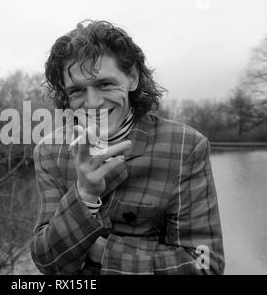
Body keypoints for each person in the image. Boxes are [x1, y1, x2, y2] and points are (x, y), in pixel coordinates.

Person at [30, 20, 225, 274]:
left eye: (105, 84)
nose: (93, 102)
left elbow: (206, 265)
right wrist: (85, 194)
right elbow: (47, 262)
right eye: (77, 90)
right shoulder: (49, 151)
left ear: (132, 78)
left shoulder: (186, 147)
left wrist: (104, 252)